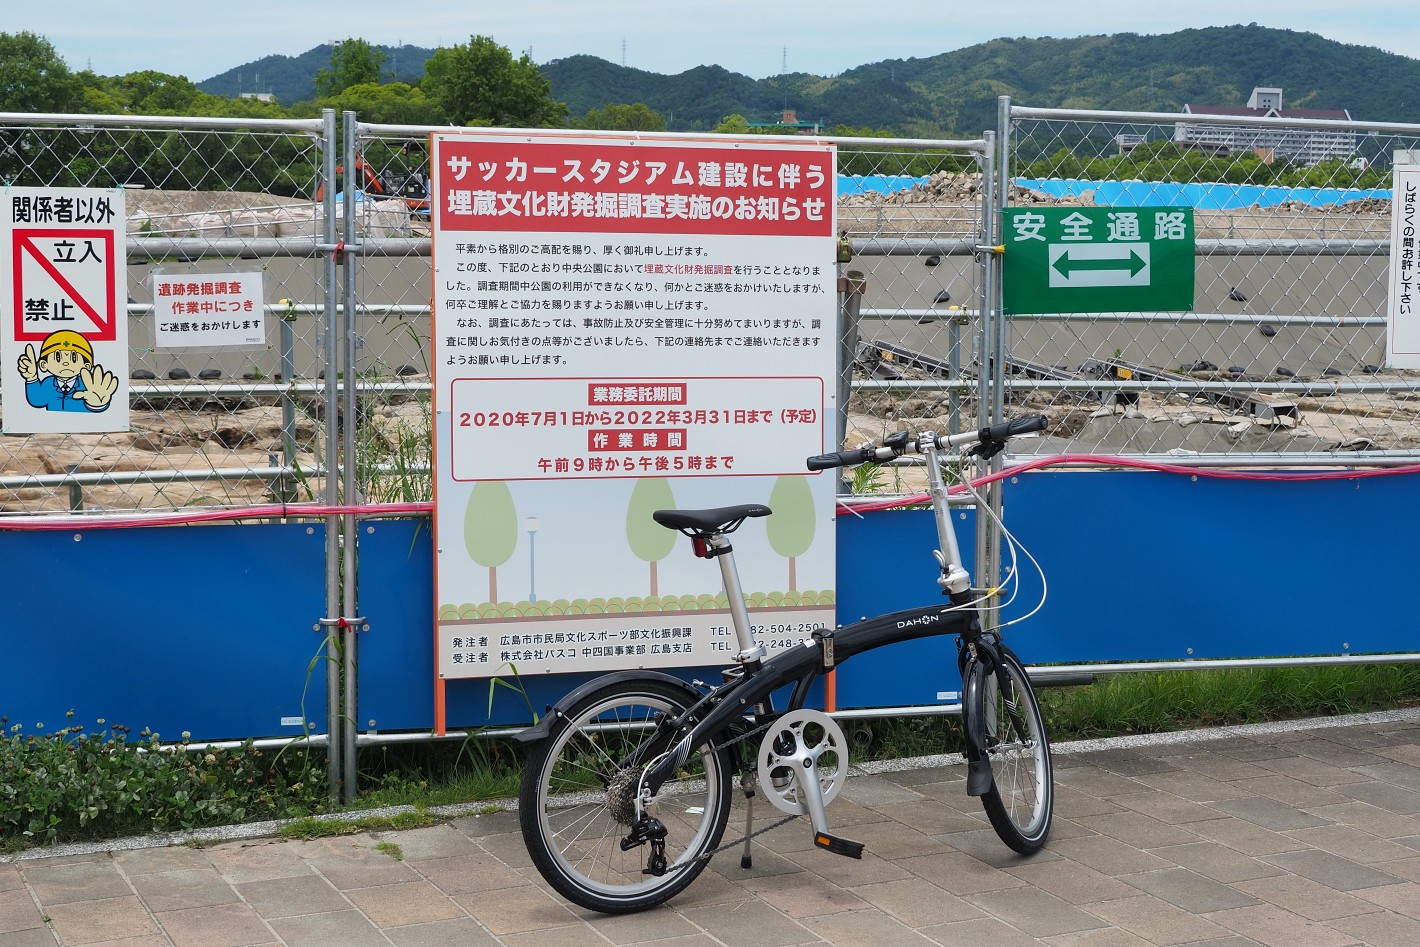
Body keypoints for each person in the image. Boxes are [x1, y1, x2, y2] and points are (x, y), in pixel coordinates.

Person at [16, 329, 119, 412]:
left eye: (74, 358)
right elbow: (38, 401)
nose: (65, 363)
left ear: (87, 366)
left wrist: (98, 404)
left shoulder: (88, 384)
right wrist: (32, 378)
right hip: (52, 428)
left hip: (84, 429)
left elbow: (97, 405)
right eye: (58, 357)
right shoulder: (48, 383)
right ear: (43, 364)